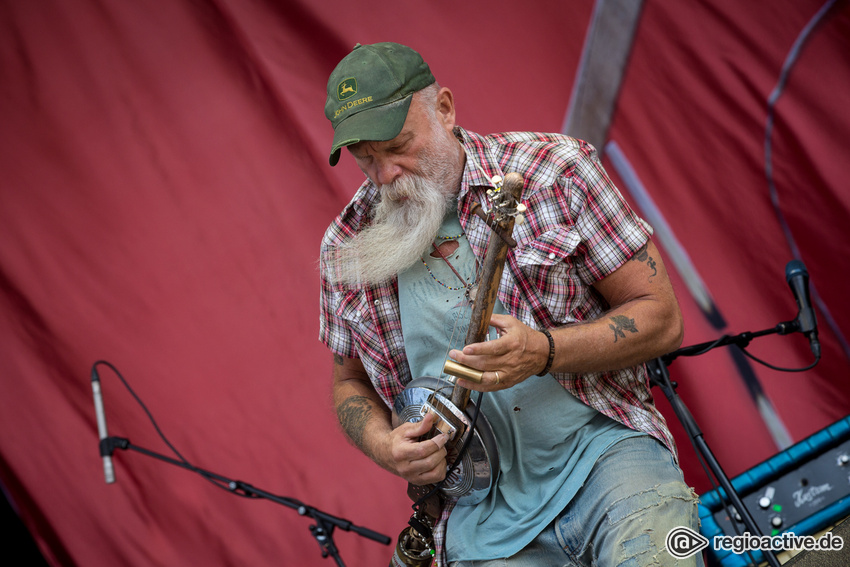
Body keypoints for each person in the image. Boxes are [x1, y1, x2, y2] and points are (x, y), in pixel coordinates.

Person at [319, 42, 702, 567]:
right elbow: (349, 384)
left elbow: (662, 317)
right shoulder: (346, 246)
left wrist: (544, 352)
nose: (385, 174)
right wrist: (387, 447)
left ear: (446, 109)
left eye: (399, 144)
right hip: (481, 527)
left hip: (605, 461)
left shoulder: (556, 171)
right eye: (366, 158)